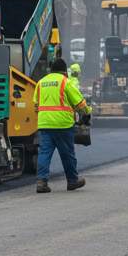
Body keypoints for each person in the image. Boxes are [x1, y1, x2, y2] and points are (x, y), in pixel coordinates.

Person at [35, 58, 92, 193]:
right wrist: (87, 113)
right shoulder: (65, 83)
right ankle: (72, 181)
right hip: (62, 125)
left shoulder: (41, 83)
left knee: (44, 153)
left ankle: (41, 183)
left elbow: (36, 105)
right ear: (64, 71)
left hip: (44, 124)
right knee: (67, 154)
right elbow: (80, 104)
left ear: (51, 69)